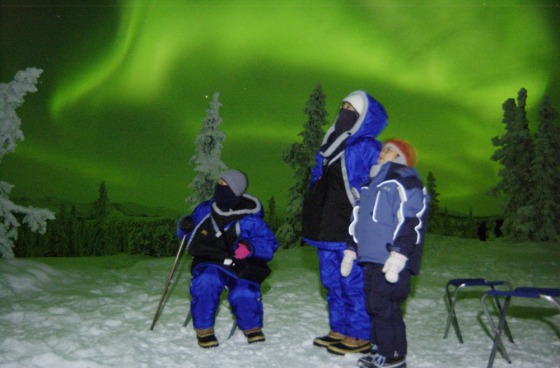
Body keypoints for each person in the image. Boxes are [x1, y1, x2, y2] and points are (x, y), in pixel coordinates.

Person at [302, 90, 388, 355]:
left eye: (351, 108)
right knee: (331, 280)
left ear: (363, 117)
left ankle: (360, 333)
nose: (344, 110)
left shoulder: (368, 146)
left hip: (348, 224)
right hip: (325, 224)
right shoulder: (330, 143)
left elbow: (378, 180)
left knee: (352, 281)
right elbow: (318, 175)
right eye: (343, 105)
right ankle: (339, 328)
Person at [343, 139, 429, 368]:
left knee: (385, 307)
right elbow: (359, 219)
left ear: (402, 158)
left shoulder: (404, 179)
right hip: (371, 258)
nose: (383, 152)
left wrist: (400, 253)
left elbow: (411, 218)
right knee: (375, 306)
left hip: (392, 259)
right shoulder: (371, 184)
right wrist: (352, 248)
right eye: (383, 149)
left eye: (390, 150)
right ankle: (381, 349)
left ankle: (393, 356)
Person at [176, 169, 279, 348]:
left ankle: (251, 327)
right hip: (209, 261)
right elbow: (186, 234)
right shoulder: (204, 209)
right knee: (206, 281)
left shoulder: (250, 217)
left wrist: (250, 248)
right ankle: (204, 329)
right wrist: (184, 225)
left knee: (244, 291)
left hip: (238, 264)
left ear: (235, 189)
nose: (219, 186)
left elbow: (270, 244)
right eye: (219, 182)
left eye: (223, 183)